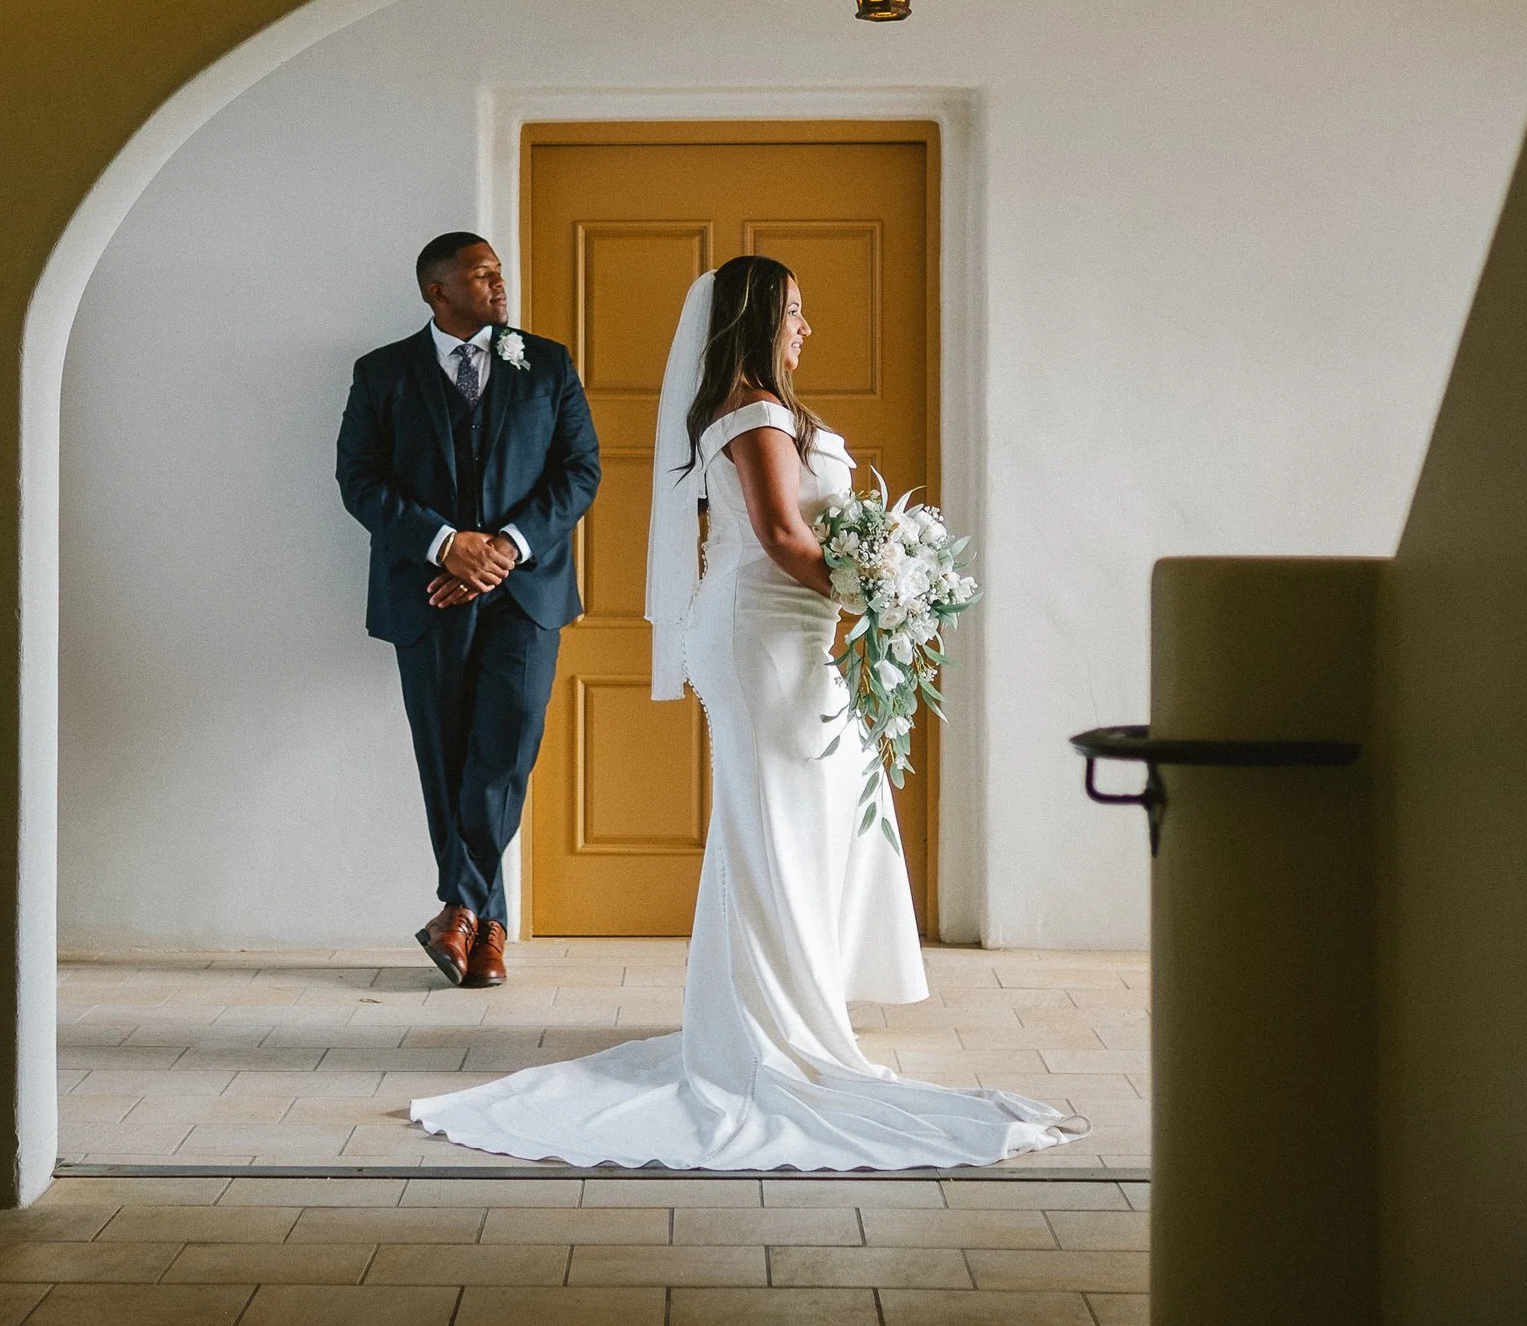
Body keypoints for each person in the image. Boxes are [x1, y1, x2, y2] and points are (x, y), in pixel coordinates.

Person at [411, 256, 1083, 1167]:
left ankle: (775, 1003)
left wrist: (867, 584)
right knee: (778, 814)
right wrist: (874, 590)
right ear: (759, 318)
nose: (806, 328)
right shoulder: (756, 412)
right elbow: (779, 533)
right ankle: (773, 1024)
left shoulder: (760, 409)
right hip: (761, 629)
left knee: (791, 814)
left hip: (782, 629)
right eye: (795, 312)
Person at [336, 232, 601, 989]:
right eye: (480, 274)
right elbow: (358, 480)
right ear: (436, 290)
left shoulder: (545, 363)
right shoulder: (382, 373)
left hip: (527, 589)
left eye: (499, 272)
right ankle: (486, 932)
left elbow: (581, 470)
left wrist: (503, 549)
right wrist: (446, 544)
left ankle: (458, 906)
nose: (498, 283)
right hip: (427, 592)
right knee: (448, 759)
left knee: (506, 742)